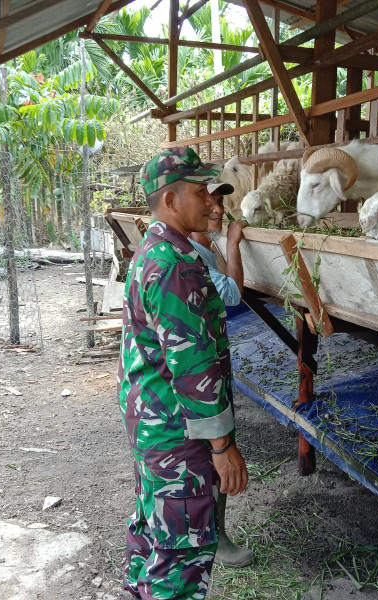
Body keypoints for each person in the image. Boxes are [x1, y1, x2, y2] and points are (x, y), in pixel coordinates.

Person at [118, 147, 249, 600]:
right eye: (200, 193)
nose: (214, 204)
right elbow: (193, 367)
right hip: (179, 433)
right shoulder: (176, 267)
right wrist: (222, 446)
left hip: (151, 423)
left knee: (154, 530)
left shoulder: (150, 252)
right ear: (170, 200)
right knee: (182, 550)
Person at [188, 184, 254, 568]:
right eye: (208, 202)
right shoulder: (188, 258)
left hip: (208, 370)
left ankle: (213, 535)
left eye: (220, 203)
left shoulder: (203, 246)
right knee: (207, 459)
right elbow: (233, 295)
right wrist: (234, 243)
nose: (217, 209)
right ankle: (213, 540)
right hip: (197, 380)